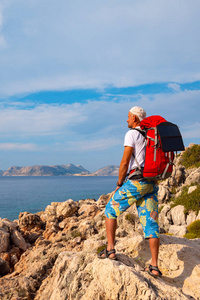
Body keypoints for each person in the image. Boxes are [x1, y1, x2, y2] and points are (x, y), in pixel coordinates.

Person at [98, 106, 162, 278]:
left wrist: (119, 183)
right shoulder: (151, 135)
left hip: (137, 182)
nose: (126, 120)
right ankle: (154, 266)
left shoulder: (132, 134)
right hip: (151, 183)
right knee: (151, 223)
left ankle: (110, 249)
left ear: (135, 118)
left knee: (110, 210)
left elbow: (125, 161)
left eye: (128, 117)